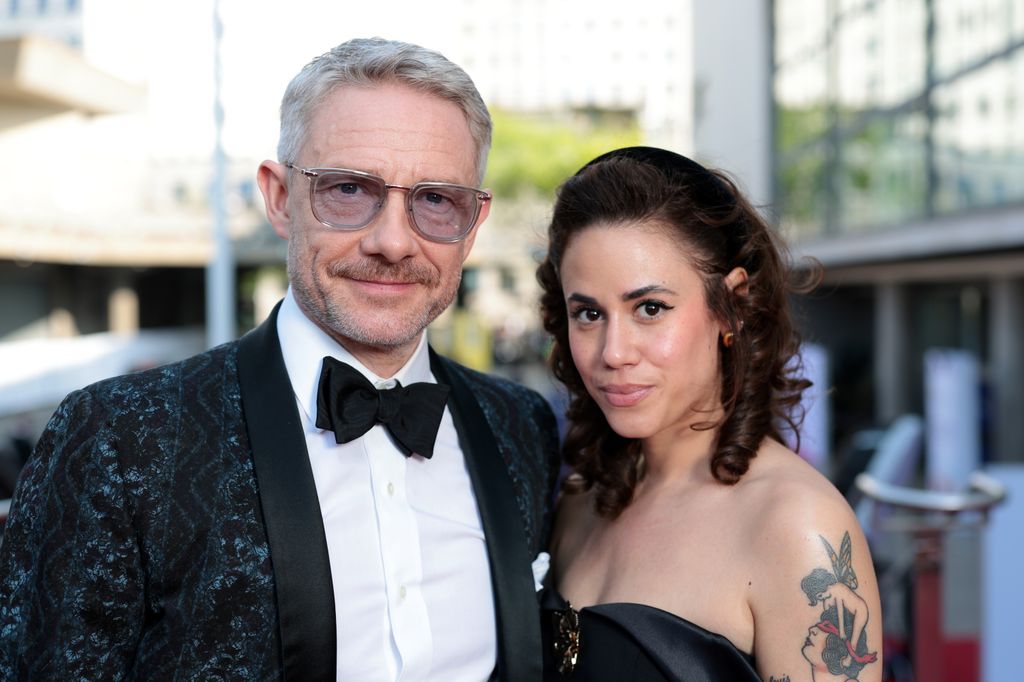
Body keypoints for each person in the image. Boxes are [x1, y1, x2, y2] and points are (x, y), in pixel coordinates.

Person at [0, 38, 560, 681]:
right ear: (277, 197)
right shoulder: (118, 436)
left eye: (436, 200)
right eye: (349, 189)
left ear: (473, 221)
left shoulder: (520, 425)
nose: (393, 241)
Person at [535, 146, 882, 681]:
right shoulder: (583, 498)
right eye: (588, 313)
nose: (613, 352)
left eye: (650, 309)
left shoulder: (795, 525)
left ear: (733, 305)